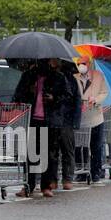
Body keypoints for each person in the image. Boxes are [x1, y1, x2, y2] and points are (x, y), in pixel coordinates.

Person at [12, 59, 70, 197]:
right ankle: (29, 186)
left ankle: (46, 185)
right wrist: (28, 91)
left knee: (48, 155)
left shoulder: (58, 77)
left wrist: (53, 98)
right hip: (32, 120)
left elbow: (67, 97)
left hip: (50, 121)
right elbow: (17, 97)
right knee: (31, 154)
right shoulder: (28, 76)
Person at [76, 55, 107, 183]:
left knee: (96, 146)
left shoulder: (98, 76)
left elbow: (104, 92)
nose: (81, 66)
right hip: (81, 118)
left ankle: (96, 172)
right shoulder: (74, 78)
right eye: (78, 64)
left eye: (83, 63)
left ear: (89, 64)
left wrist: (95, 100)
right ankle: (81, 171)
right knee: (79, 146)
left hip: (96, 116)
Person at [58, 63, 81, 188]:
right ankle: (53, 179)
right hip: (53, 119)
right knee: (52, 152)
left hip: (65, 121)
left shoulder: (69, 78)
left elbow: (76, 100)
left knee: (67, 150)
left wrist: (75, 122)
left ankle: (67, 178)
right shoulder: (49, 76)